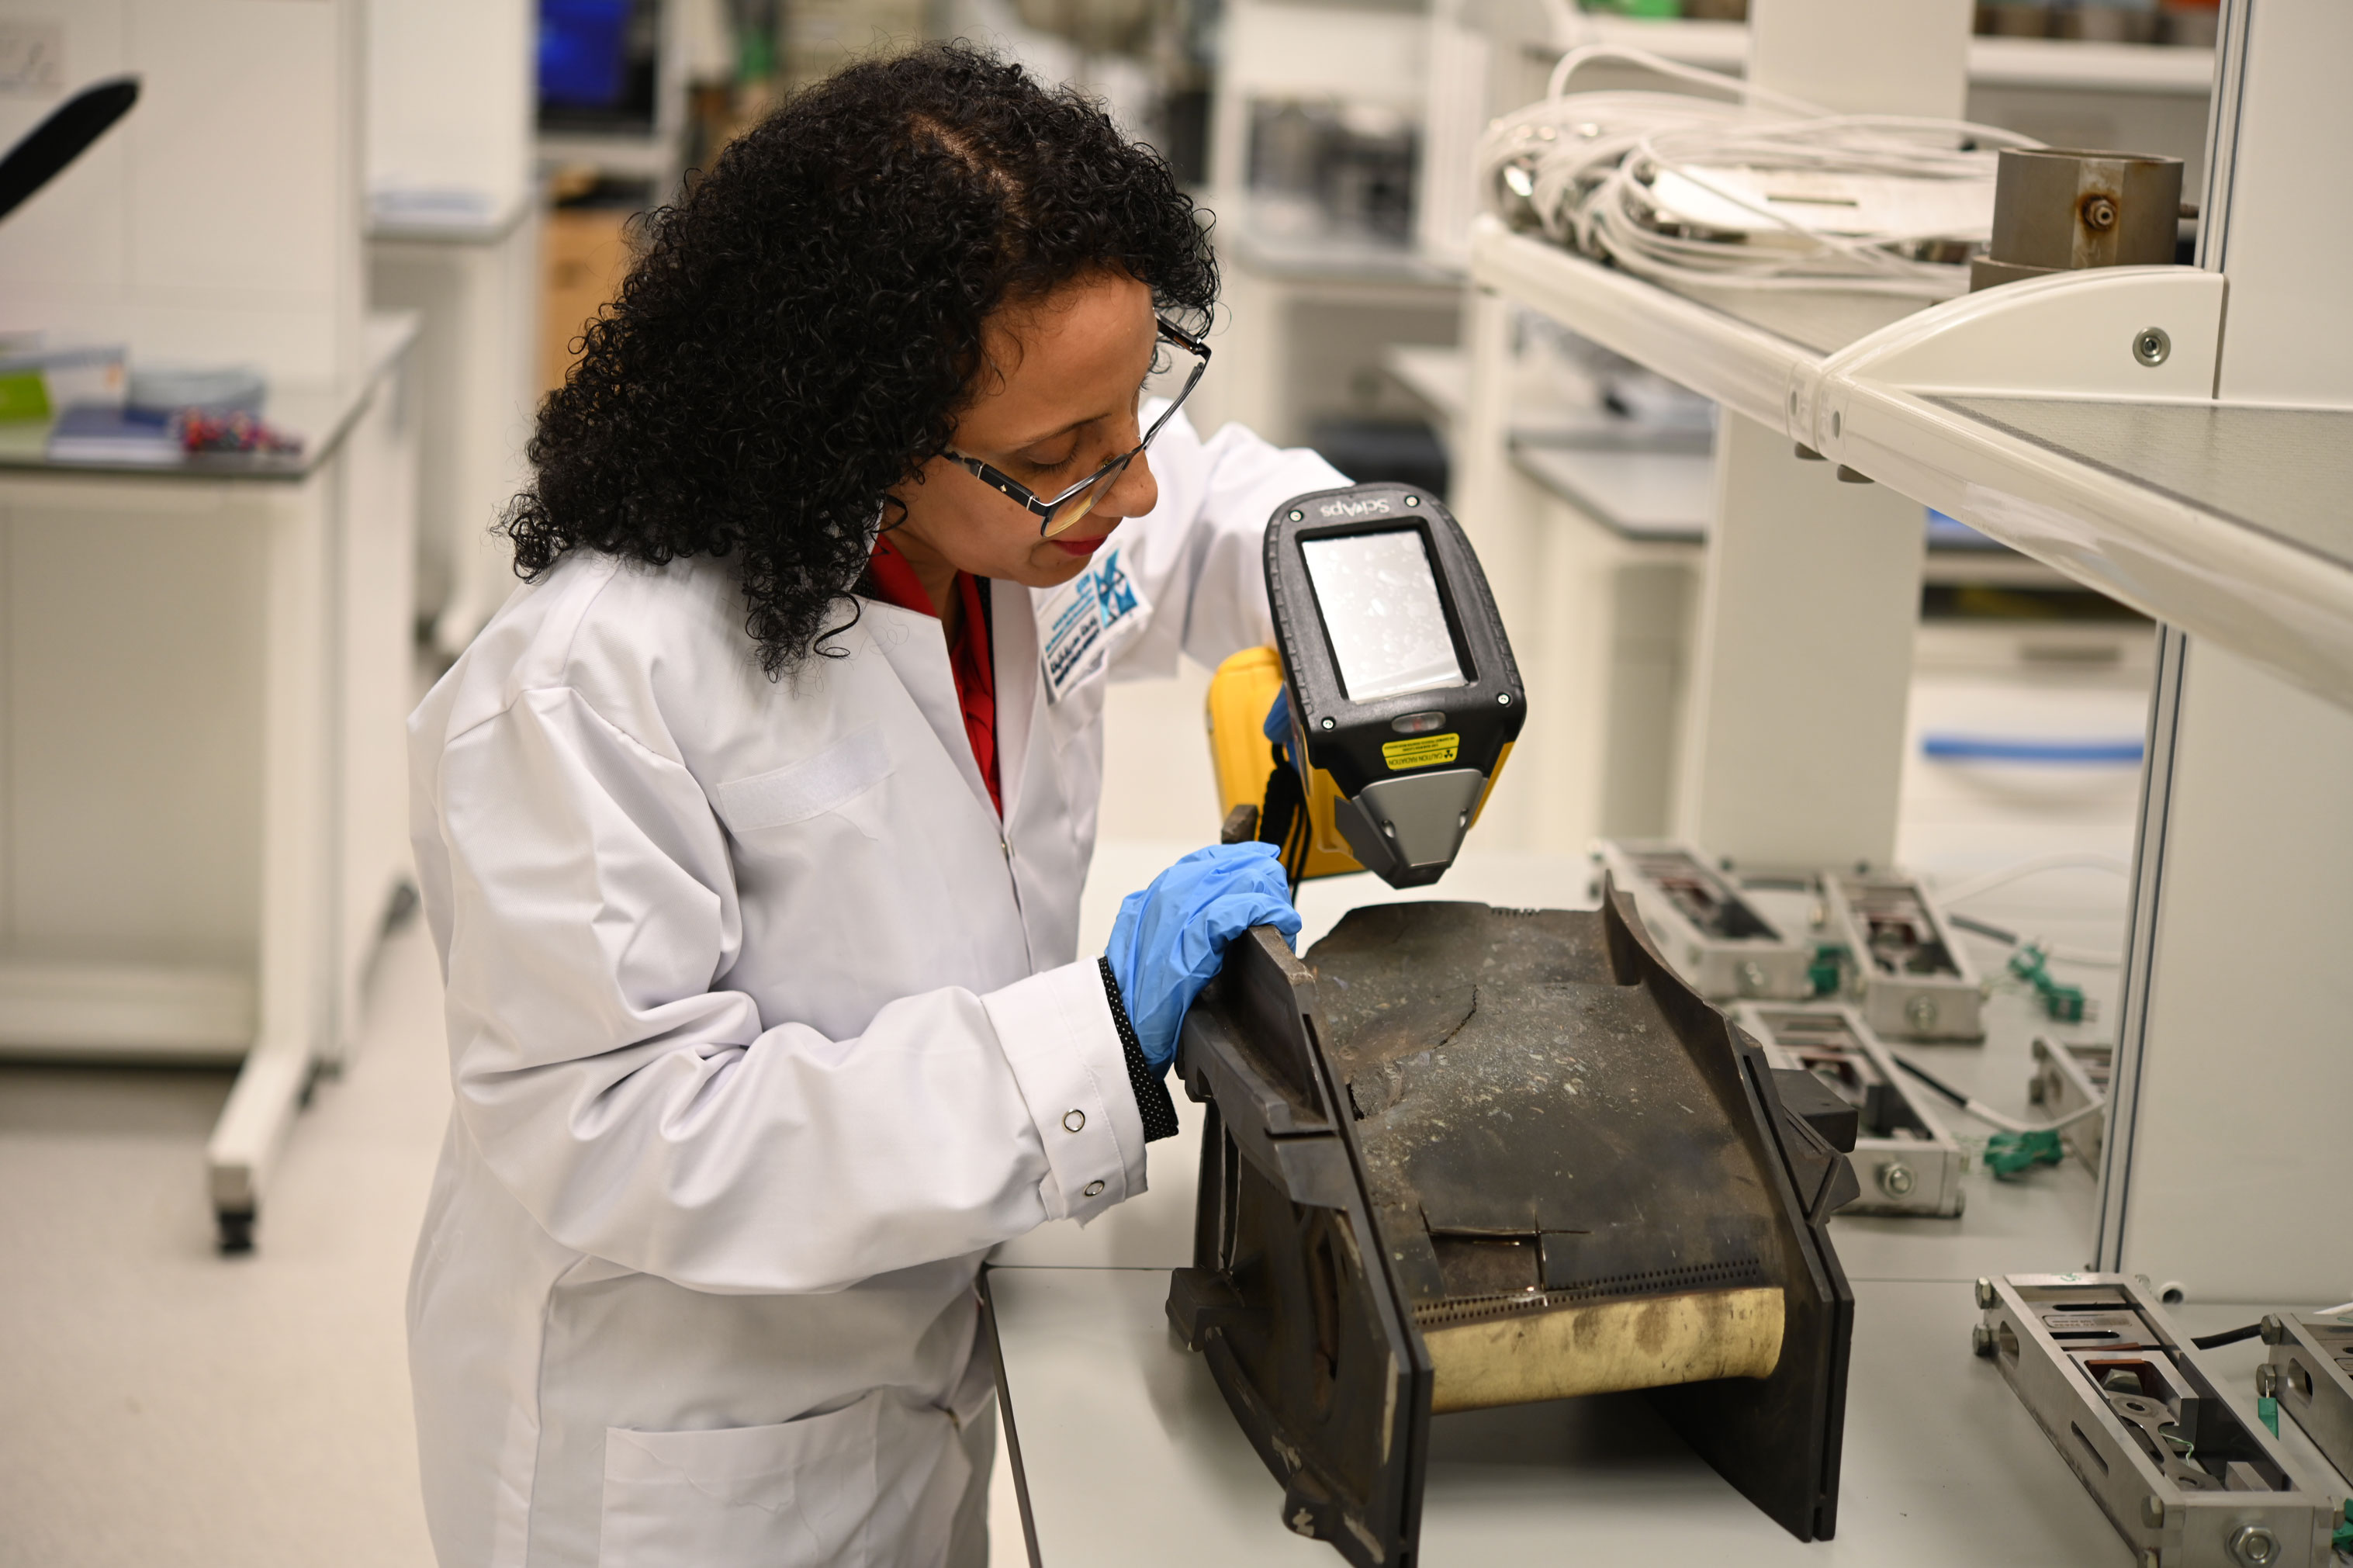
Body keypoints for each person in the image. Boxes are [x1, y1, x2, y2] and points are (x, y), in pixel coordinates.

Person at [404, 43, 1341, 1568]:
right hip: (690, 1447)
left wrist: (1364, 590)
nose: (1129, 491)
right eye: (1062, 454)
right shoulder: (592, 681)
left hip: (921, 1341)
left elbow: (1216, 515)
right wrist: (1094, 1039)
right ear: (862, 436)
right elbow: (633, 1135)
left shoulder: (1010, 517)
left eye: (1135, 412)